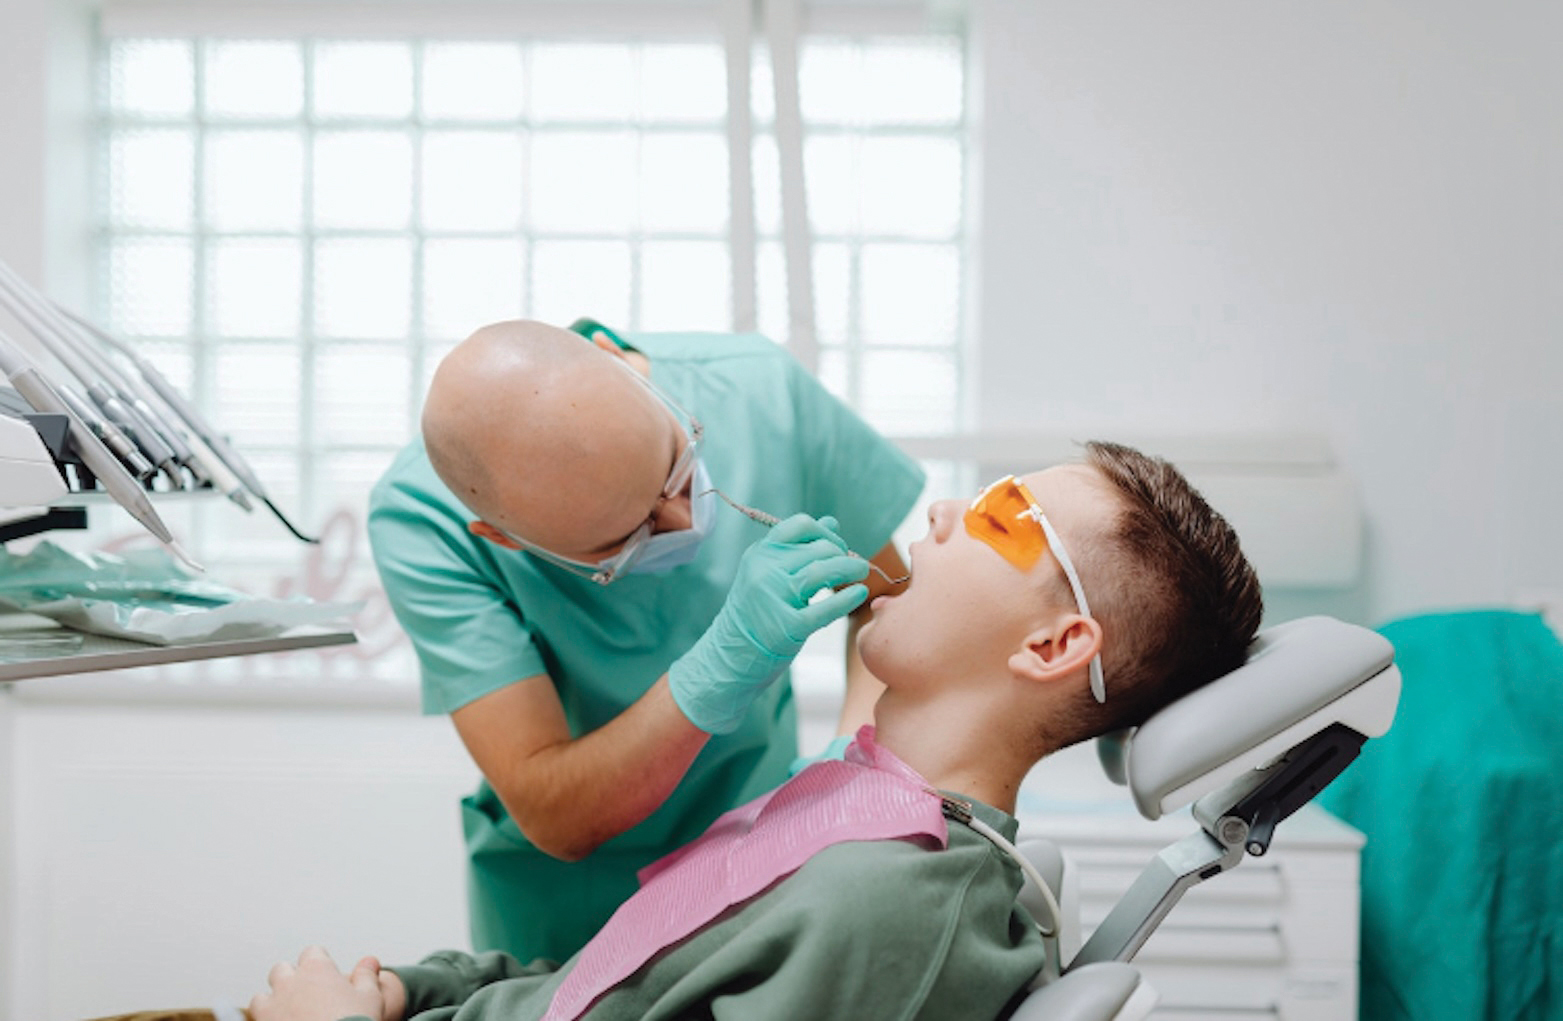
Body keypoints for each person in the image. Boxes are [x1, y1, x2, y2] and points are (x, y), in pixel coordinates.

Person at [183, 440, 1259, 1021]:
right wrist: (421, 989)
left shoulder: (891, 903)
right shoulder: (851, 802)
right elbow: (609, 981)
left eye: (996, 519)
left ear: (1054, 647)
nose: (937, 516)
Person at [366, 318, 924, 963]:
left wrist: (848, 757)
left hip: (760, 842)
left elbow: (886, 597)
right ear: (505, 538)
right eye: (629, 536)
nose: (686, 520)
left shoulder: (759, 391)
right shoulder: (421, 521)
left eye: (677, 467)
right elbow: (553, 808)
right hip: (574, 905)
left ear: (619, 362)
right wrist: (719, 664)